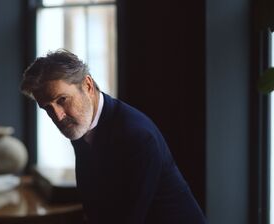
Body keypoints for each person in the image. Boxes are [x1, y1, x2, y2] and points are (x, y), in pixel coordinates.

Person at [20, 49, 207, 224]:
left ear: (87, 85)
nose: (58, 116)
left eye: (62, 100)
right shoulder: (81, 124)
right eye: (47, 108)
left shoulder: (137, 135)